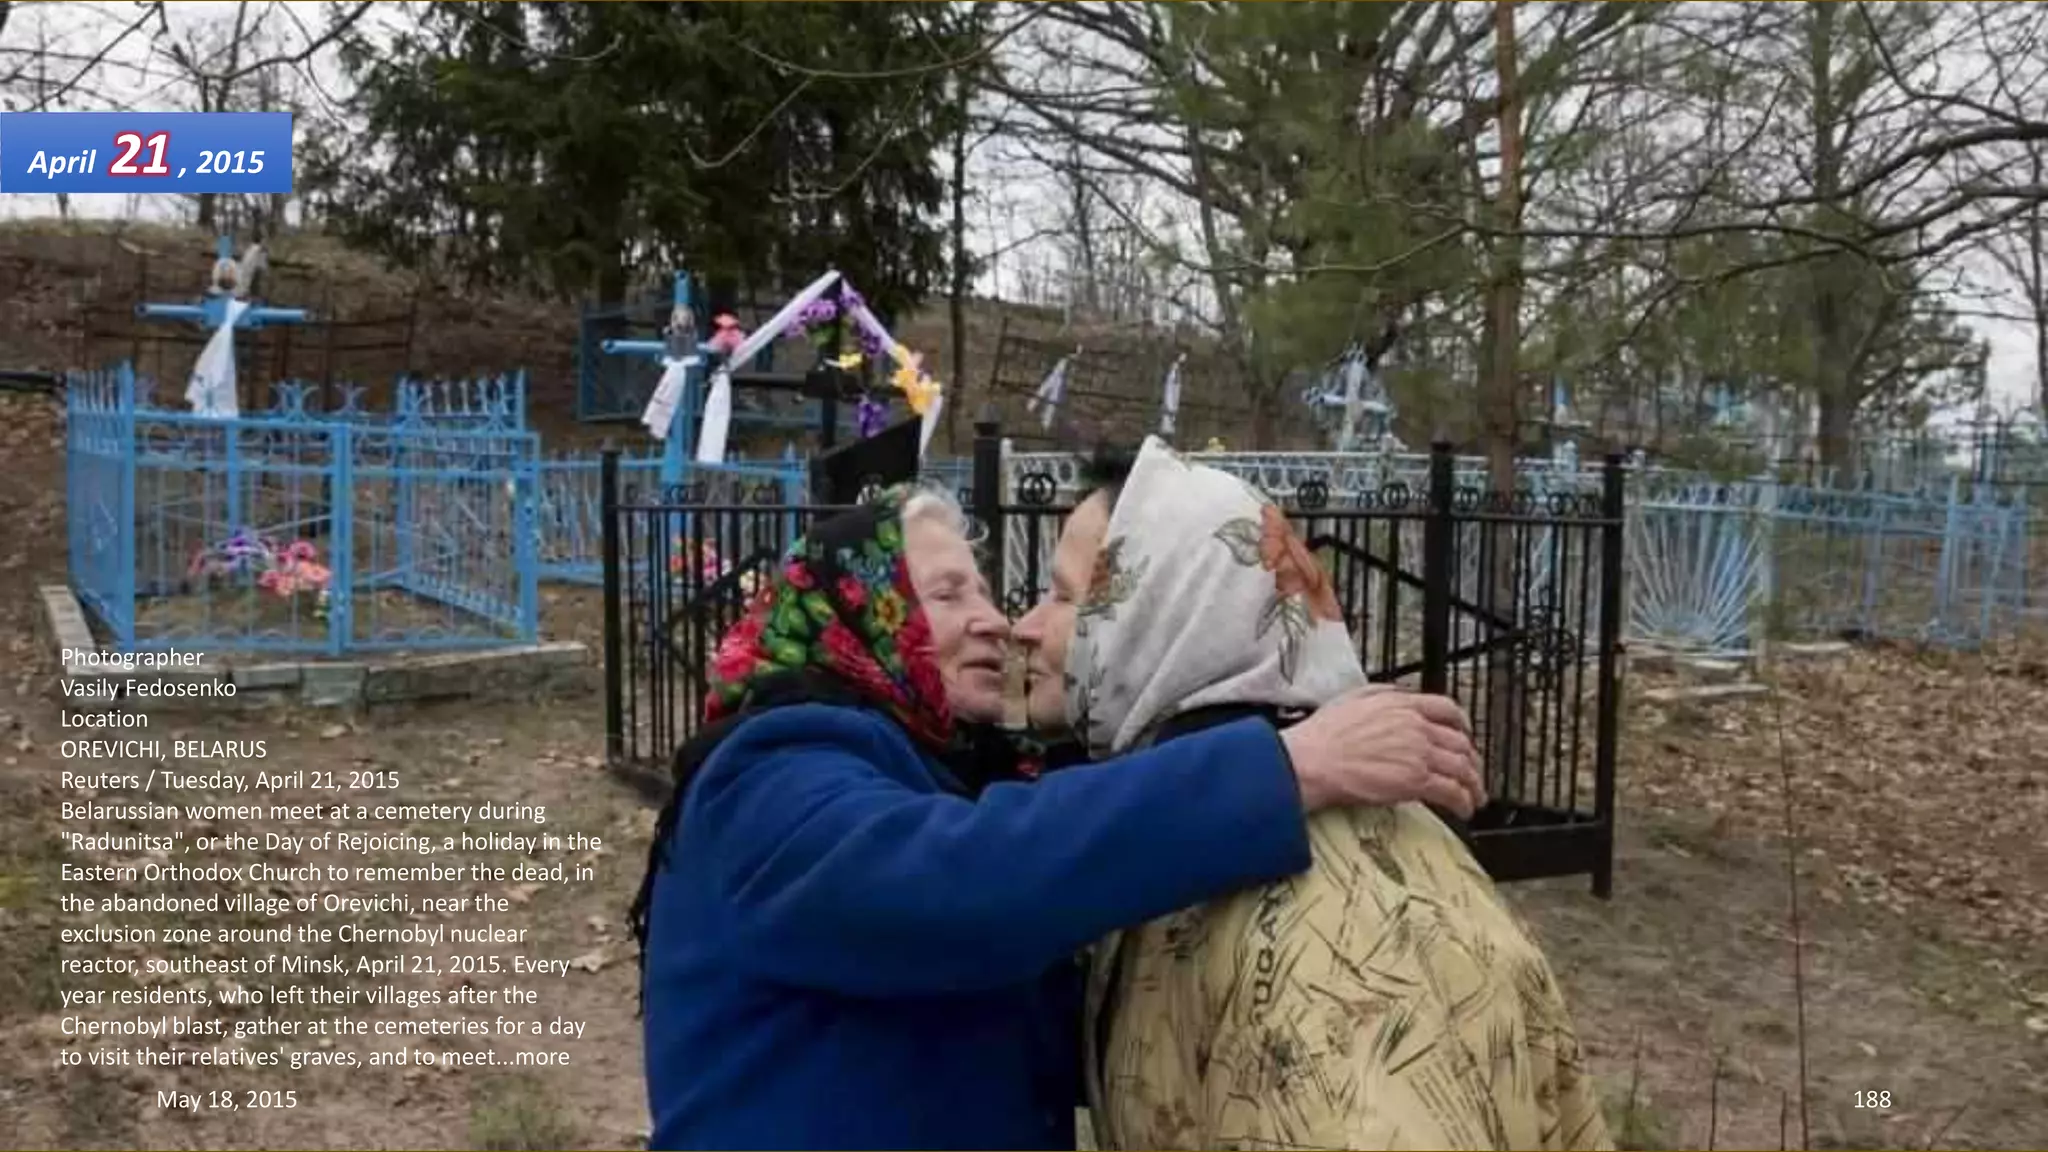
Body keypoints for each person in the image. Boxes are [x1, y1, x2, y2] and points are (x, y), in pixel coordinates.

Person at [629, 484, 1486, 1151]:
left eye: (990, 589)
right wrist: (1285, 768)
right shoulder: (769, 776)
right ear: (859, 610)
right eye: (949, 591)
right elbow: (960, 884)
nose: (995, 620)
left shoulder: (926, 772)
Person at [1011, 439, 1612, 1152]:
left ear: (1153, 617)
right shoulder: (1199, 833)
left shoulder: (1338, 937)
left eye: (1062, 596)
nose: (1023, 626)